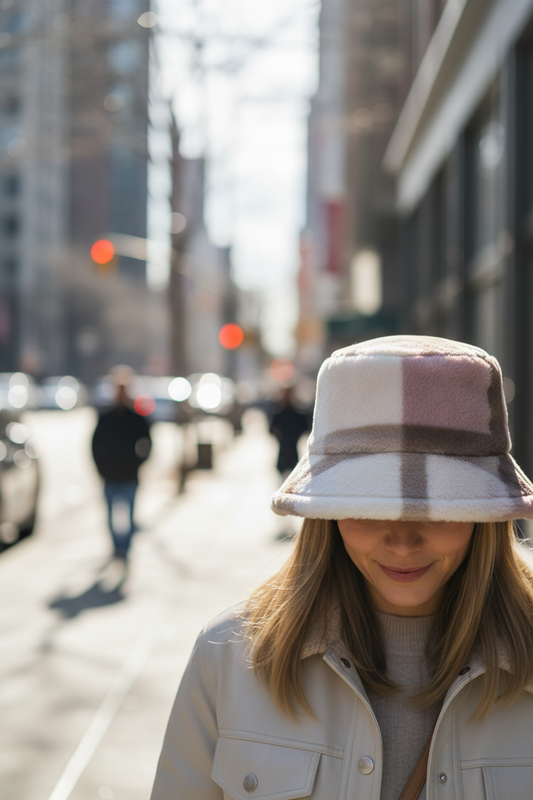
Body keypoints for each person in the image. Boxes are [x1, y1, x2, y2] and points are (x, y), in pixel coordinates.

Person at [150, 336, 533, 800]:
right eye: (368, 505)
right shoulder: (228, 658)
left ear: (486, 516)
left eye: (439, 507)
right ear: (327, 513)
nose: (402, 539)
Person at [91, 374, 151, 561]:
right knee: (110, 517)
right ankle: (116, 548)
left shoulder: (136, 418)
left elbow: (147, 442)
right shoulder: (105, 417)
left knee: (130, 517)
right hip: (110, 475)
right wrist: (100, 467)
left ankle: (125, 548)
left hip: (130, 475)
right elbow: (95, 444)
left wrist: (138, 462)